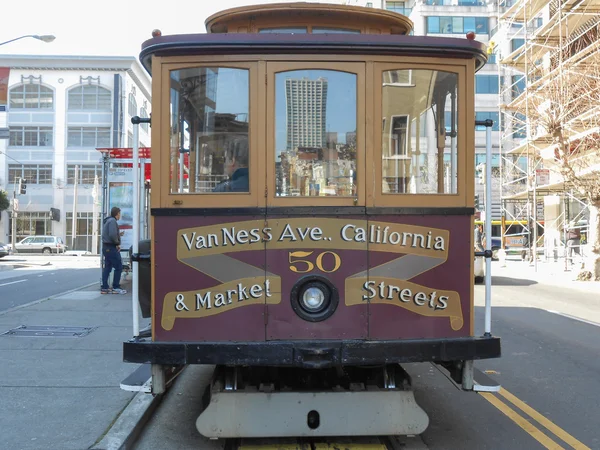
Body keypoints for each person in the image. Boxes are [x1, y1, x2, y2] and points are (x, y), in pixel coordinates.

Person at [101, 206, 127, 294]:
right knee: (119, 266)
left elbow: (111, 234)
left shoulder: (108, 221)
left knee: (108, 267)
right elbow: (112, 235)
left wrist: (119, 235)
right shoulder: (112, 221)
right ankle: (116, 286)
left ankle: (104, 287)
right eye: (120, 213)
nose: (120, 215)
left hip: (106, 247)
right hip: (111, 247)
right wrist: (117, 243)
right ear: (117, 214)